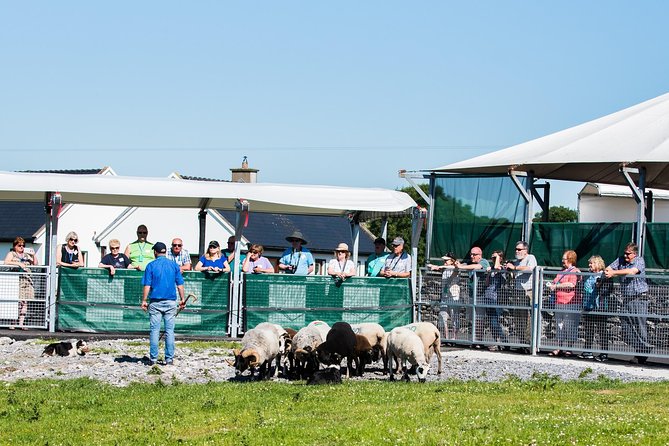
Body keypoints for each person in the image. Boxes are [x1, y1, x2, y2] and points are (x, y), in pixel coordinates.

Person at [604, 242, 653, 364]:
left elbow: (632, 271)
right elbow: (609, 268)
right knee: (625, 323)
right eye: (624, 253)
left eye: (628, 254)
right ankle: (643, 347)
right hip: (627, 298)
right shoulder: (620, 260)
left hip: (639, 298)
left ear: (634, 254)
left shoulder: (639, 261)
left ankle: (642, 353)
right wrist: (608, 271)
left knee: (639, 325)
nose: (625, 256)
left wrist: (614, 273)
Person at [140, 242, 186, 366]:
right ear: (165, 251)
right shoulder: (174, 265)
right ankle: (169, 358)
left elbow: (147, 285)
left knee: (154, 330)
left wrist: (144, 300)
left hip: (155, 302)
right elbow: (180, 284)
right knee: (169, 331)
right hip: (171, 302)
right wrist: (182, 299)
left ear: (155, 252)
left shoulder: (150, 265)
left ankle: (153, 359)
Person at [546, 250, 581, 357]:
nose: (562, 261)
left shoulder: (575, 271)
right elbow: (556, 281)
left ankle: (569, 348)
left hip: (571, 303)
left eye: (564, 259)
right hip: (559, 302)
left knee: (570, 325)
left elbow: (571, 284)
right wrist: (552, 284)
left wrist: (556, 286)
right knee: (559, 325)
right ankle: (558, 347)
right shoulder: (562, 271)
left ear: (570, 259)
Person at [505, 241, 537, 349]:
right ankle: (521, 342)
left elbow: (530, 269)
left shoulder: (530, 258)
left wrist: (514, 268)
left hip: (528, 291)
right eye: (516, 249)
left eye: (519, 249)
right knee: (518, 318)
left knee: (527, 318)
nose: (517, 251)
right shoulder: (516, 262)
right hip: (517, 292)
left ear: (525, 250)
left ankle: (528, 343)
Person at [580, 255, 612, 362]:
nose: (589, 265)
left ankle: (604, 353)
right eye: (589, 263)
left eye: (592, 263)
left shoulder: (605, 275)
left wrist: (600, 286)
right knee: (588, 330)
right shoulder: (587, 276)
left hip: (600, 307)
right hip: (588, 305)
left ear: (598, 264)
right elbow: (583, 288)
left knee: (601, 330)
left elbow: (609, 289)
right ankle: (587, 351)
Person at [4, 237, 38, 330]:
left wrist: (34, 255)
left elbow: (35, 264)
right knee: (17, 302)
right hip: (17, 280)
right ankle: (13, 322)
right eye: (19, 245)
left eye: (23, 245)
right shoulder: (12, 254)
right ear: (15, 246)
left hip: (27, 280)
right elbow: (6, 262)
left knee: (25, 302)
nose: (21, 247)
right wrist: (18, 264)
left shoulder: (26, 255)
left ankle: (21, 323)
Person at [481, 250, 509, 348]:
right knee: (491, 320)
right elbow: (487, 283)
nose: (493, 259)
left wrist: (497, 259)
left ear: (500, 258)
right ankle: (496, 340)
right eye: (492, 257)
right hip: (488, 296)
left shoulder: (501, 268)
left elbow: (498, 267)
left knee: (494, 320)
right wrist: (488, 273)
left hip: (496, 298)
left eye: (495, 257)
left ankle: (504, 340)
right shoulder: (491, 269)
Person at [429, 252, 460, 339]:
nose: (445, 262)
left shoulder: (455, 268)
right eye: (444, 260)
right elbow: (441, 268)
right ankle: (446, 338)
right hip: (445, 296)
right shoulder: (445, 269)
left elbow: (454, 269)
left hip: (454, 296)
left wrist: (440, 267)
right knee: (443, 316)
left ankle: (455, 338)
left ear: (452, 261)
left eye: (447, 260)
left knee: (454, 317)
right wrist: (435, 267)